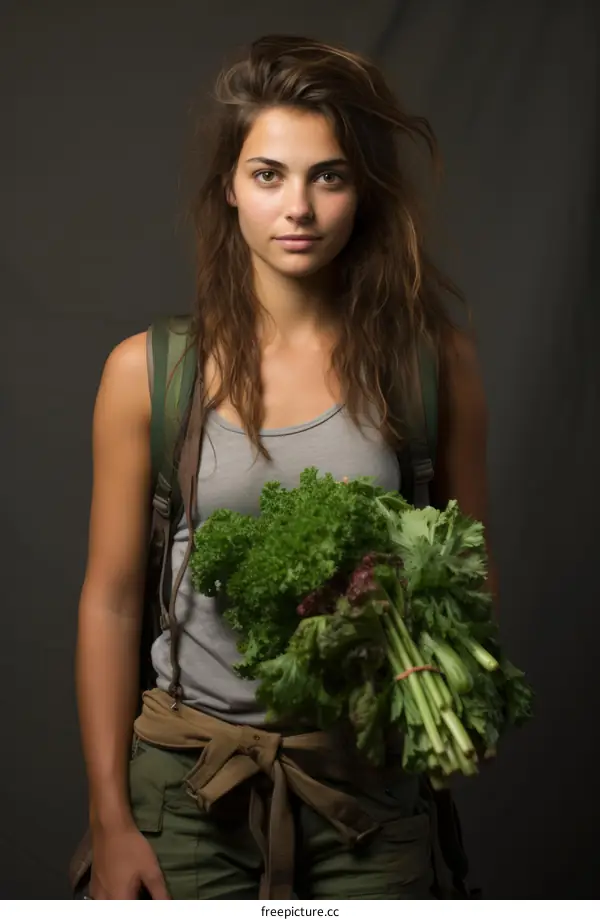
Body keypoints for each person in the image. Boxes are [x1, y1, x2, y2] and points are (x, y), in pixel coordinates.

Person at [75, 34, 495, 900]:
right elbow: (112, 601)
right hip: (191, 792)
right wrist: (110, 817)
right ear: (229, 186)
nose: (297, 206)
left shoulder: (431, 366)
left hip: (368, 795)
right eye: (269, 174)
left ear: (361, 192)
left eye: (328, 176)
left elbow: (470, 570)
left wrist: (422, 648)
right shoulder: (146, 374)